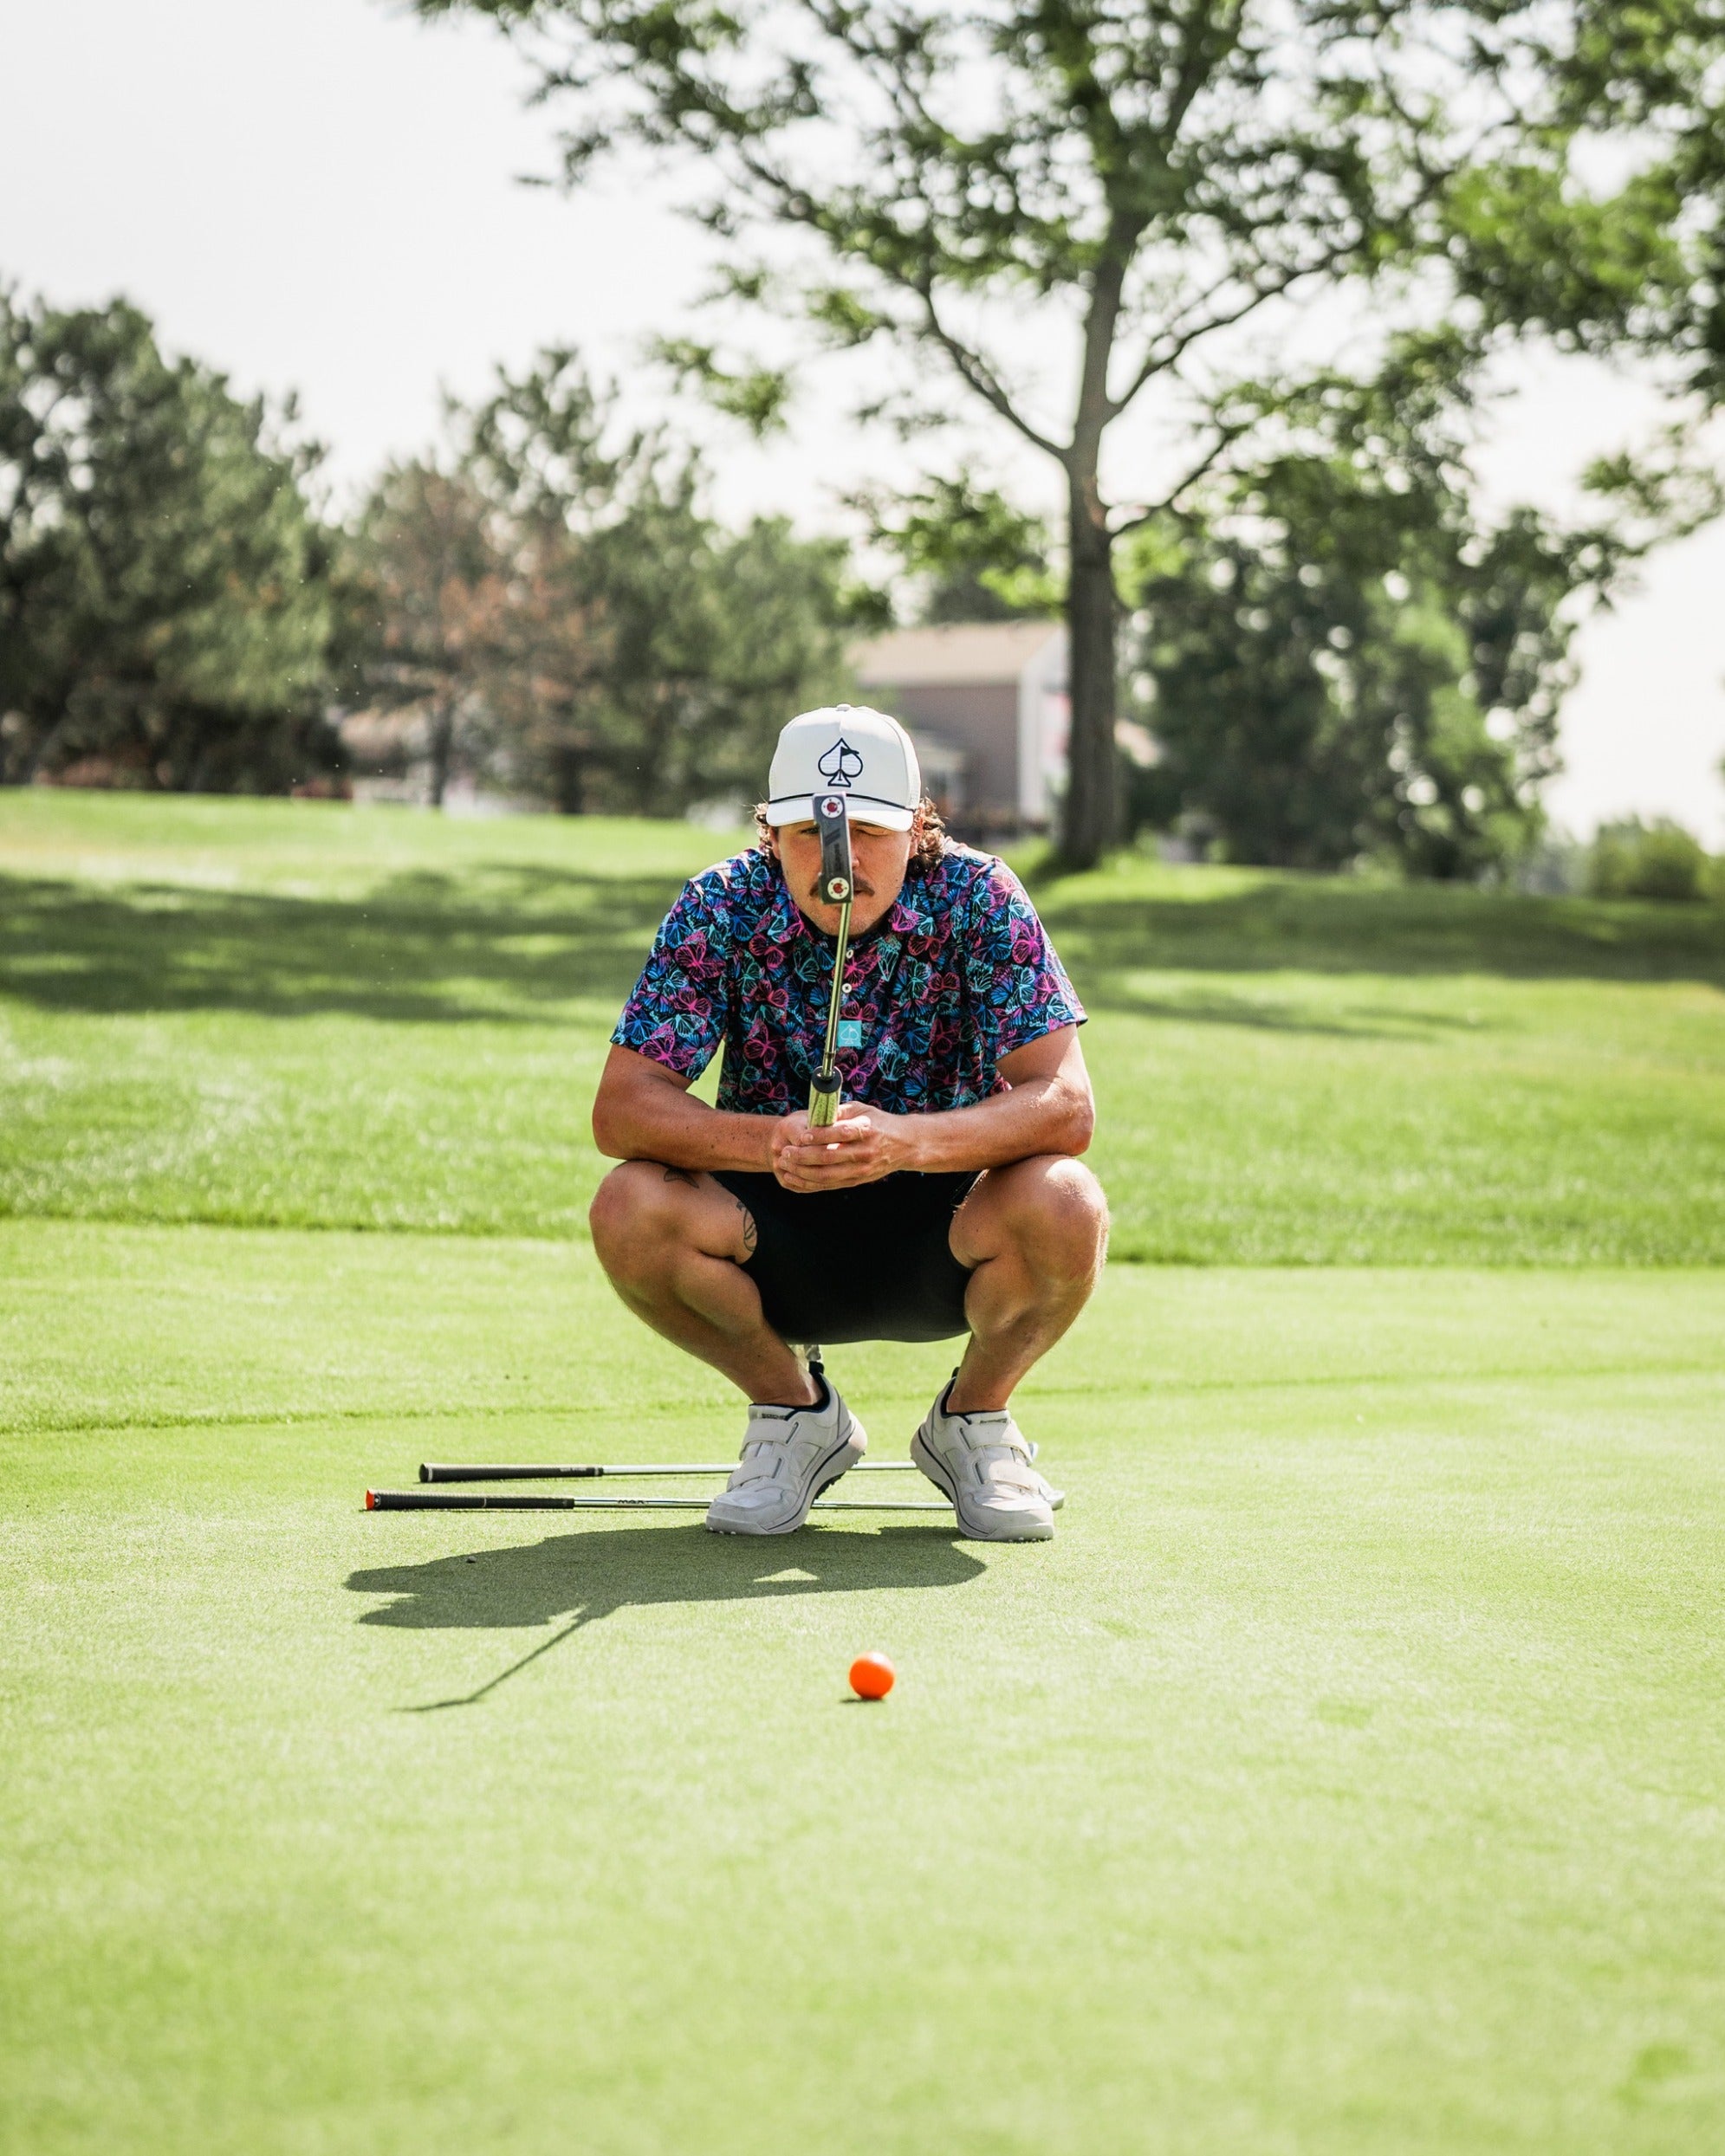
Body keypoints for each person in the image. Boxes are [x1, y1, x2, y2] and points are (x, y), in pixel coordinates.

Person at [588, 703, 1107, 1541]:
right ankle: (795, 1416)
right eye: (810, 833)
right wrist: (768, 1140)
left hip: (946, 1231)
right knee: (627, 1205)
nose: (844, 859)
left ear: (916, 828)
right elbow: (622, 1108)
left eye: (871, 831)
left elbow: (1065, 1102)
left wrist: (907, 1140)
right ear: (772, 832)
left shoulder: (980, 895)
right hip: (771, 1232)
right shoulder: (720, 903)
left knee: (1067, 1200)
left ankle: (972, 1422)